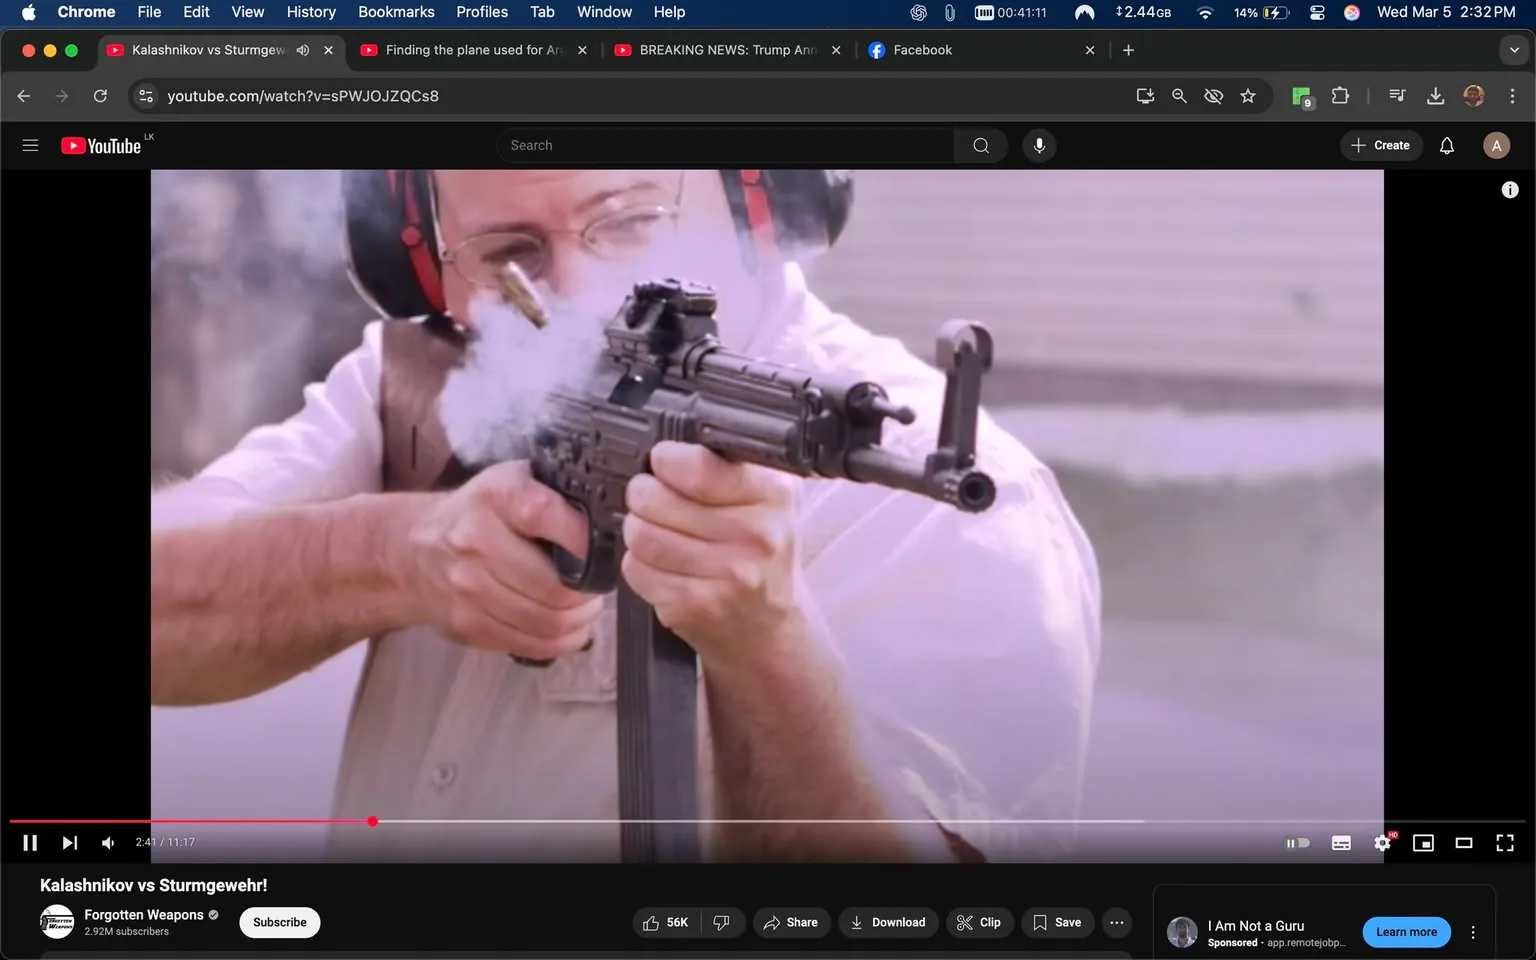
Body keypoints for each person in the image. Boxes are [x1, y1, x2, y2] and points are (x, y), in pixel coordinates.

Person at [149, 169, 1101, 863]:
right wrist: (395, 553)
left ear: (751, 202)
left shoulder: (952, 502)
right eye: (510, 257)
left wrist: (764, 645)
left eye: (632, 220)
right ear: (426, 267)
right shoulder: (436, 377)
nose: (576, 293)